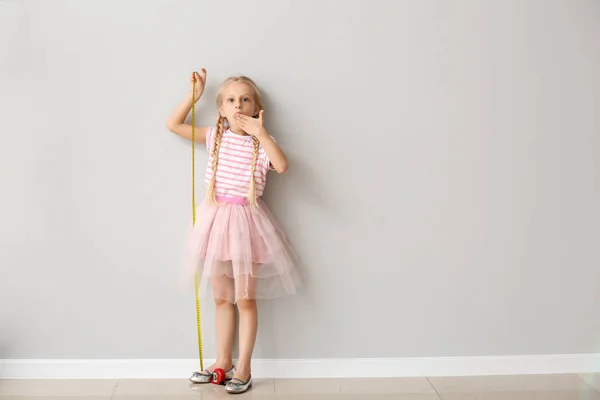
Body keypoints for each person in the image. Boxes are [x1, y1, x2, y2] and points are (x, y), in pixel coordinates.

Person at [166, 69, 301, 394]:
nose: (238, 105)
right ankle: (222, 362)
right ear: (222, 109)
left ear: (256, 108)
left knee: (246, 300)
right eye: (231, 100)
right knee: (222, 299)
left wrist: (262, 133)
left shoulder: (261, 143)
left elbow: (282, 166)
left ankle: (245, 367)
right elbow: (173, 125)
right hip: (215, 224)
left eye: (245, 100)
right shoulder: (215, 136)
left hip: (246, 226)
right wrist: (193, 97)